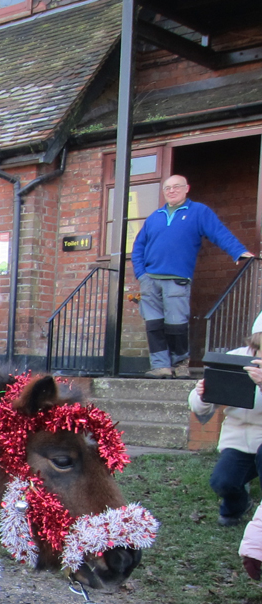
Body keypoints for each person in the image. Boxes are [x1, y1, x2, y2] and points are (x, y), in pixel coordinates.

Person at [131, 174, 255, 378]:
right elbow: (139, 246)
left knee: (176, 325)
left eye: (176, 187)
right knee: (153, 325)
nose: (171, 191)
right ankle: (160, 366)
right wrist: (141, 274)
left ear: (187, 188)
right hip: (150, 280)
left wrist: (238, 251)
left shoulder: (198, 212)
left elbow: (218, 232)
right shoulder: (155, 216)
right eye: (167, 188)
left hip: (177, 279)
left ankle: (180, 364)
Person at [188, 312, 262, 526]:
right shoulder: (235, 357)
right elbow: (200, 407)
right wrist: (202, 393)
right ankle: (236, 507)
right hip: (237, 437)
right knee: (223, 482)